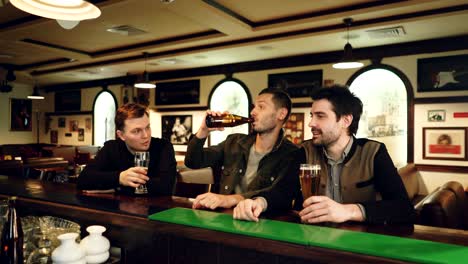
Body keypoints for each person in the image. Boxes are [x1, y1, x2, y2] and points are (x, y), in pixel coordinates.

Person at [234, 85, 415, 225]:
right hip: (311, 242)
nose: (311, 123)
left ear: (345, 120)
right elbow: (282, 191)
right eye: (312, 115)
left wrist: (348, 211)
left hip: (357, 246)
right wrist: (258, 202)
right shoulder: (304, 151)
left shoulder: (374, 152)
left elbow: (403, 208)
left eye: (320, 116)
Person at [184, 88, 298, 210]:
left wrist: (229, 199)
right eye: (254, 107)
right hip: (222, 219)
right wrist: (203, 130)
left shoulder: (292, 154)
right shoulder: (233, 142)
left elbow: (280, 195)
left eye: (261, 107)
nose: (253, 112)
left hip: (263, 223)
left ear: (281, 114)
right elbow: (193, 162)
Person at [77, 103, 177, 196]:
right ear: (121, 135)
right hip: (116, 211)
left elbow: (165, 187)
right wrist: (120, 177)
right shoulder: (111, 148)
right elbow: (83, 180)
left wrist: (116, 188)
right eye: (136, 131)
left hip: (156, 211)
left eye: (147, 127)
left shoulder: (163, 147)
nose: (146, 135)